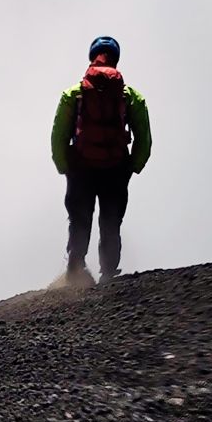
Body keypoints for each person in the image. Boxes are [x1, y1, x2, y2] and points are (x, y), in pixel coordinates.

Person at [50, 36, 152, 285]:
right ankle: (108, 273)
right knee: (111, 220)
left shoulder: (73, 94)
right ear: (116, 59)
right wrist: (132, 166)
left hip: (81, 167)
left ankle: (75, 268)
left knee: (79, 218)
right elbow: (144, 139)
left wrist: (65, 166)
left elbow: (58, 135)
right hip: (116, 167)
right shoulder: (131, 97)